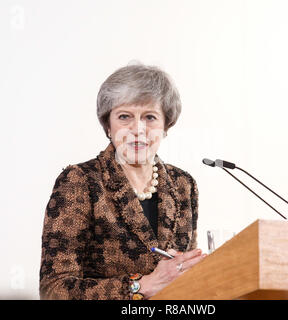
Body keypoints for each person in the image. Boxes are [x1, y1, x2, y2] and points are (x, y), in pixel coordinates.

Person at [39, 63, 205, 300]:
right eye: (124, 117)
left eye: (150, 117)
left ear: (166, 126)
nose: (138, 129)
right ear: (108, 125)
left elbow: (187, 275)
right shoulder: (80, 182)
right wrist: (141, 285)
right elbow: (54, 290)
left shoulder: (183, 185)